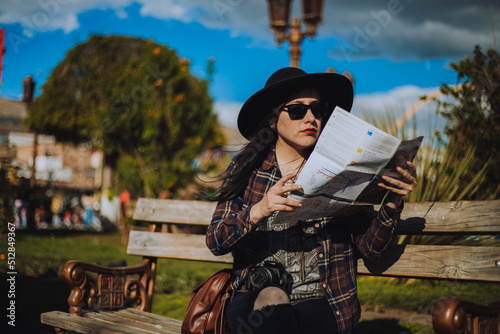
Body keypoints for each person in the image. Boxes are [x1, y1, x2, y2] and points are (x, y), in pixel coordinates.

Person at [206, 67, 417, 334]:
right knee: (271, 298)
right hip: (255, 296)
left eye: (317, 109)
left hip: (324, 300)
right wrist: (259, 209)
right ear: (273, 120)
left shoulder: (341, 169)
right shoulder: (247, 169)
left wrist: (393, 200)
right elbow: (215, 240)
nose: (310, 118)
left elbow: (370, 250)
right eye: (297, 110)